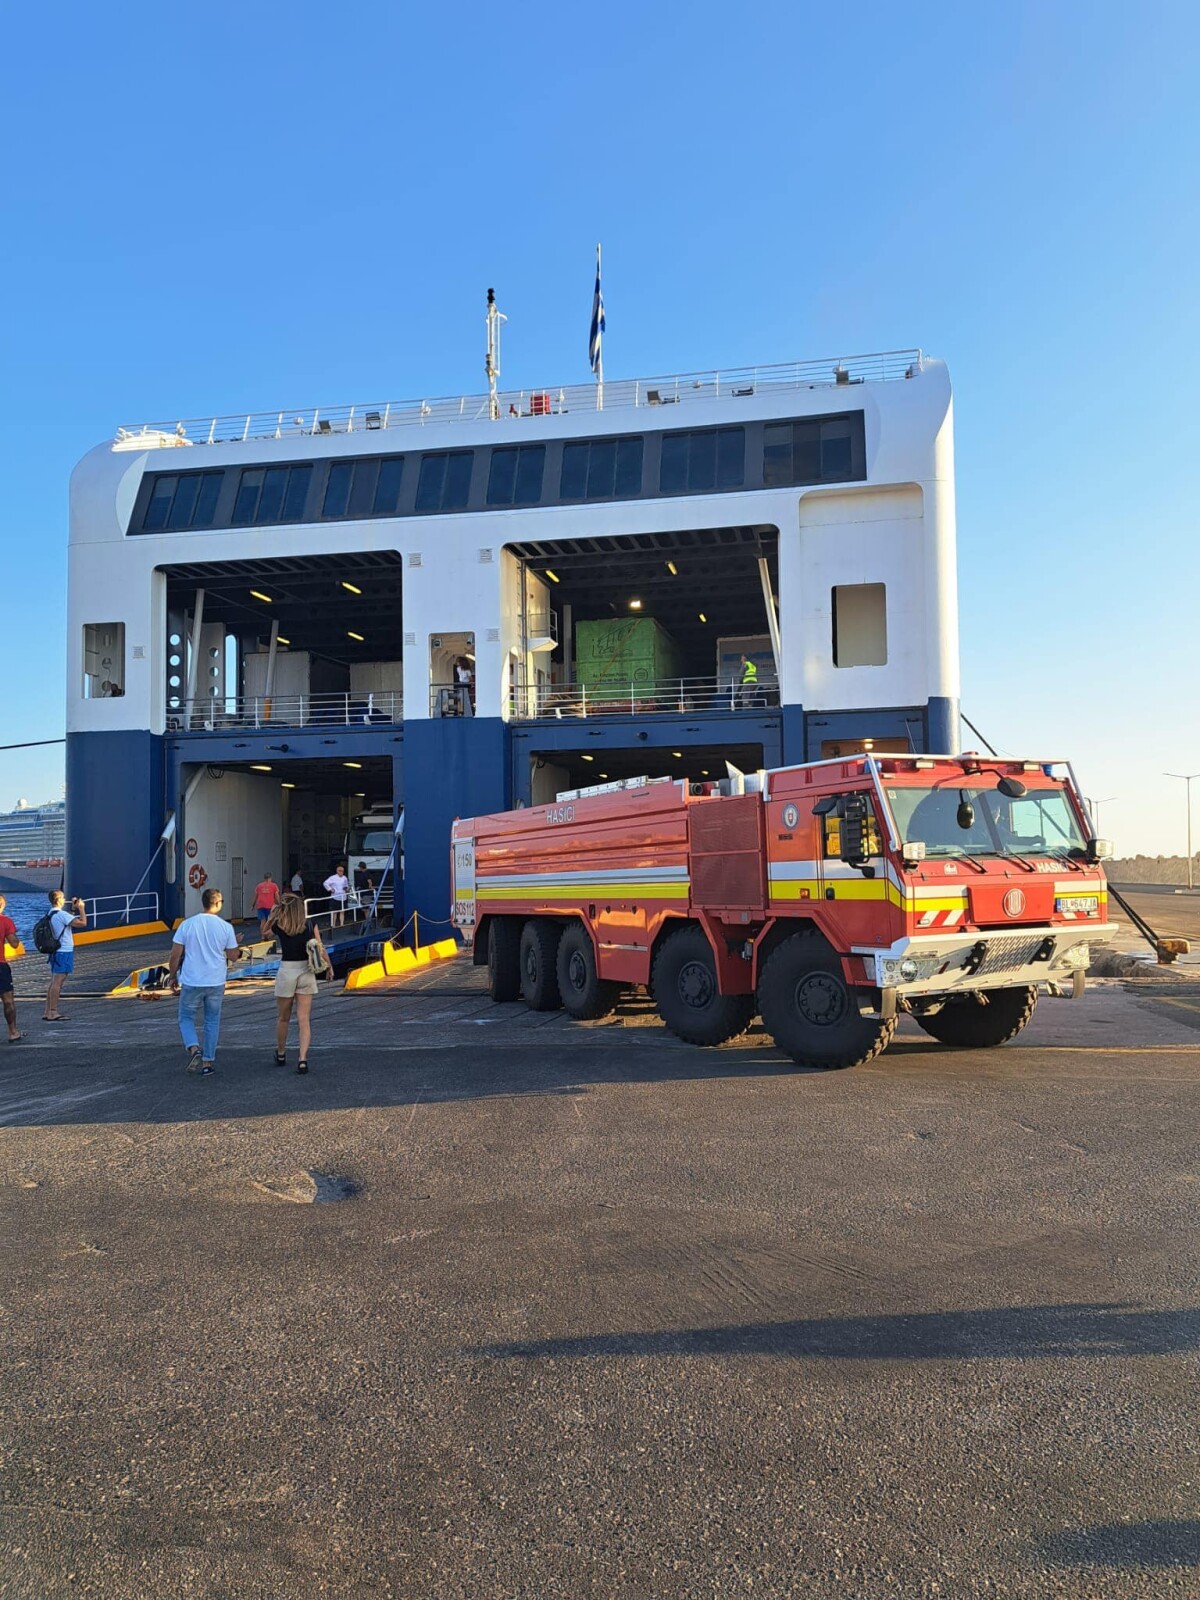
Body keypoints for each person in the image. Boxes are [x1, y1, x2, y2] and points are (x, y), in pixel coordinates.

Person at [167, 886, 240, 1074]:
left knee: (185, 1018)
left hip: (192, 980)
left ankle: (193, 1048)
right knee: (212, 1020)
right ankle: (208, 1063)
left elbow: (175, 955)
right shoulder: (226, 927)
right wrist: (236, 944)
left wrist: (172, 976)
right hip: (215, 981)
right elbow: (233, 956)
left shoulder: (187, 925)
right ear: (216, 903)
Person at [265, 892, 328, 1073]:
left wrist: (271, 917)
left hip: (287, 970)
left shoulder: (280, 924)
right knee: (304, 1020)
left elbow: (265, 934)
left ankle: (282, 1053)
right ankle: (302, 1059)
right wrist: (329, 967)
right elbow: (320, 947)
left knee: (283, 1018)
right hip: (306, 971)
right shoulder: (309, 924)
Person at [43, 890, 86, 1022]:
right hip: (64, 951)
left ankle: (47, 1011)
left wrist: (73, 910)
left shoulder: (51, 913)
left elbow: (66, 922)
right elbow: (82, 923)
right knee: (58, 981)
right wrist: (81, 908)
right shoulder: (61, 914)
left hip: (56, 951)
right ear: (60, 899)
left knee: (54, 981)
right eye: (63, 897)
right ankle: (53, 1012)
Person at [0, 894, 22, 1042]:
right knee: (8, 1000)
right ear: (3, 905)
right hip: (0, 965)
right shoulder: (6, 921)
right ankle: (13, 1031)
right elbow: (14, 944)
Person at [323, 863, 350, 928]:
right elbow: (325, 883)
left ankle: (341, 924)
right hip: (335, 897)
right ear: (337, 871)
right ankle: (333, 925)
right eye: (340, 871)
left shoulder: (344, 878)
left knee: (342, 911)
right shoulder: (332, 877)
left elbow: (346, 885)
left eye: (342, 871)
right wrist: (330, 889)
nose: (341, 872)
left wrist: (346, 888)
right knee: (334, 912)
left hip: (343, 897)